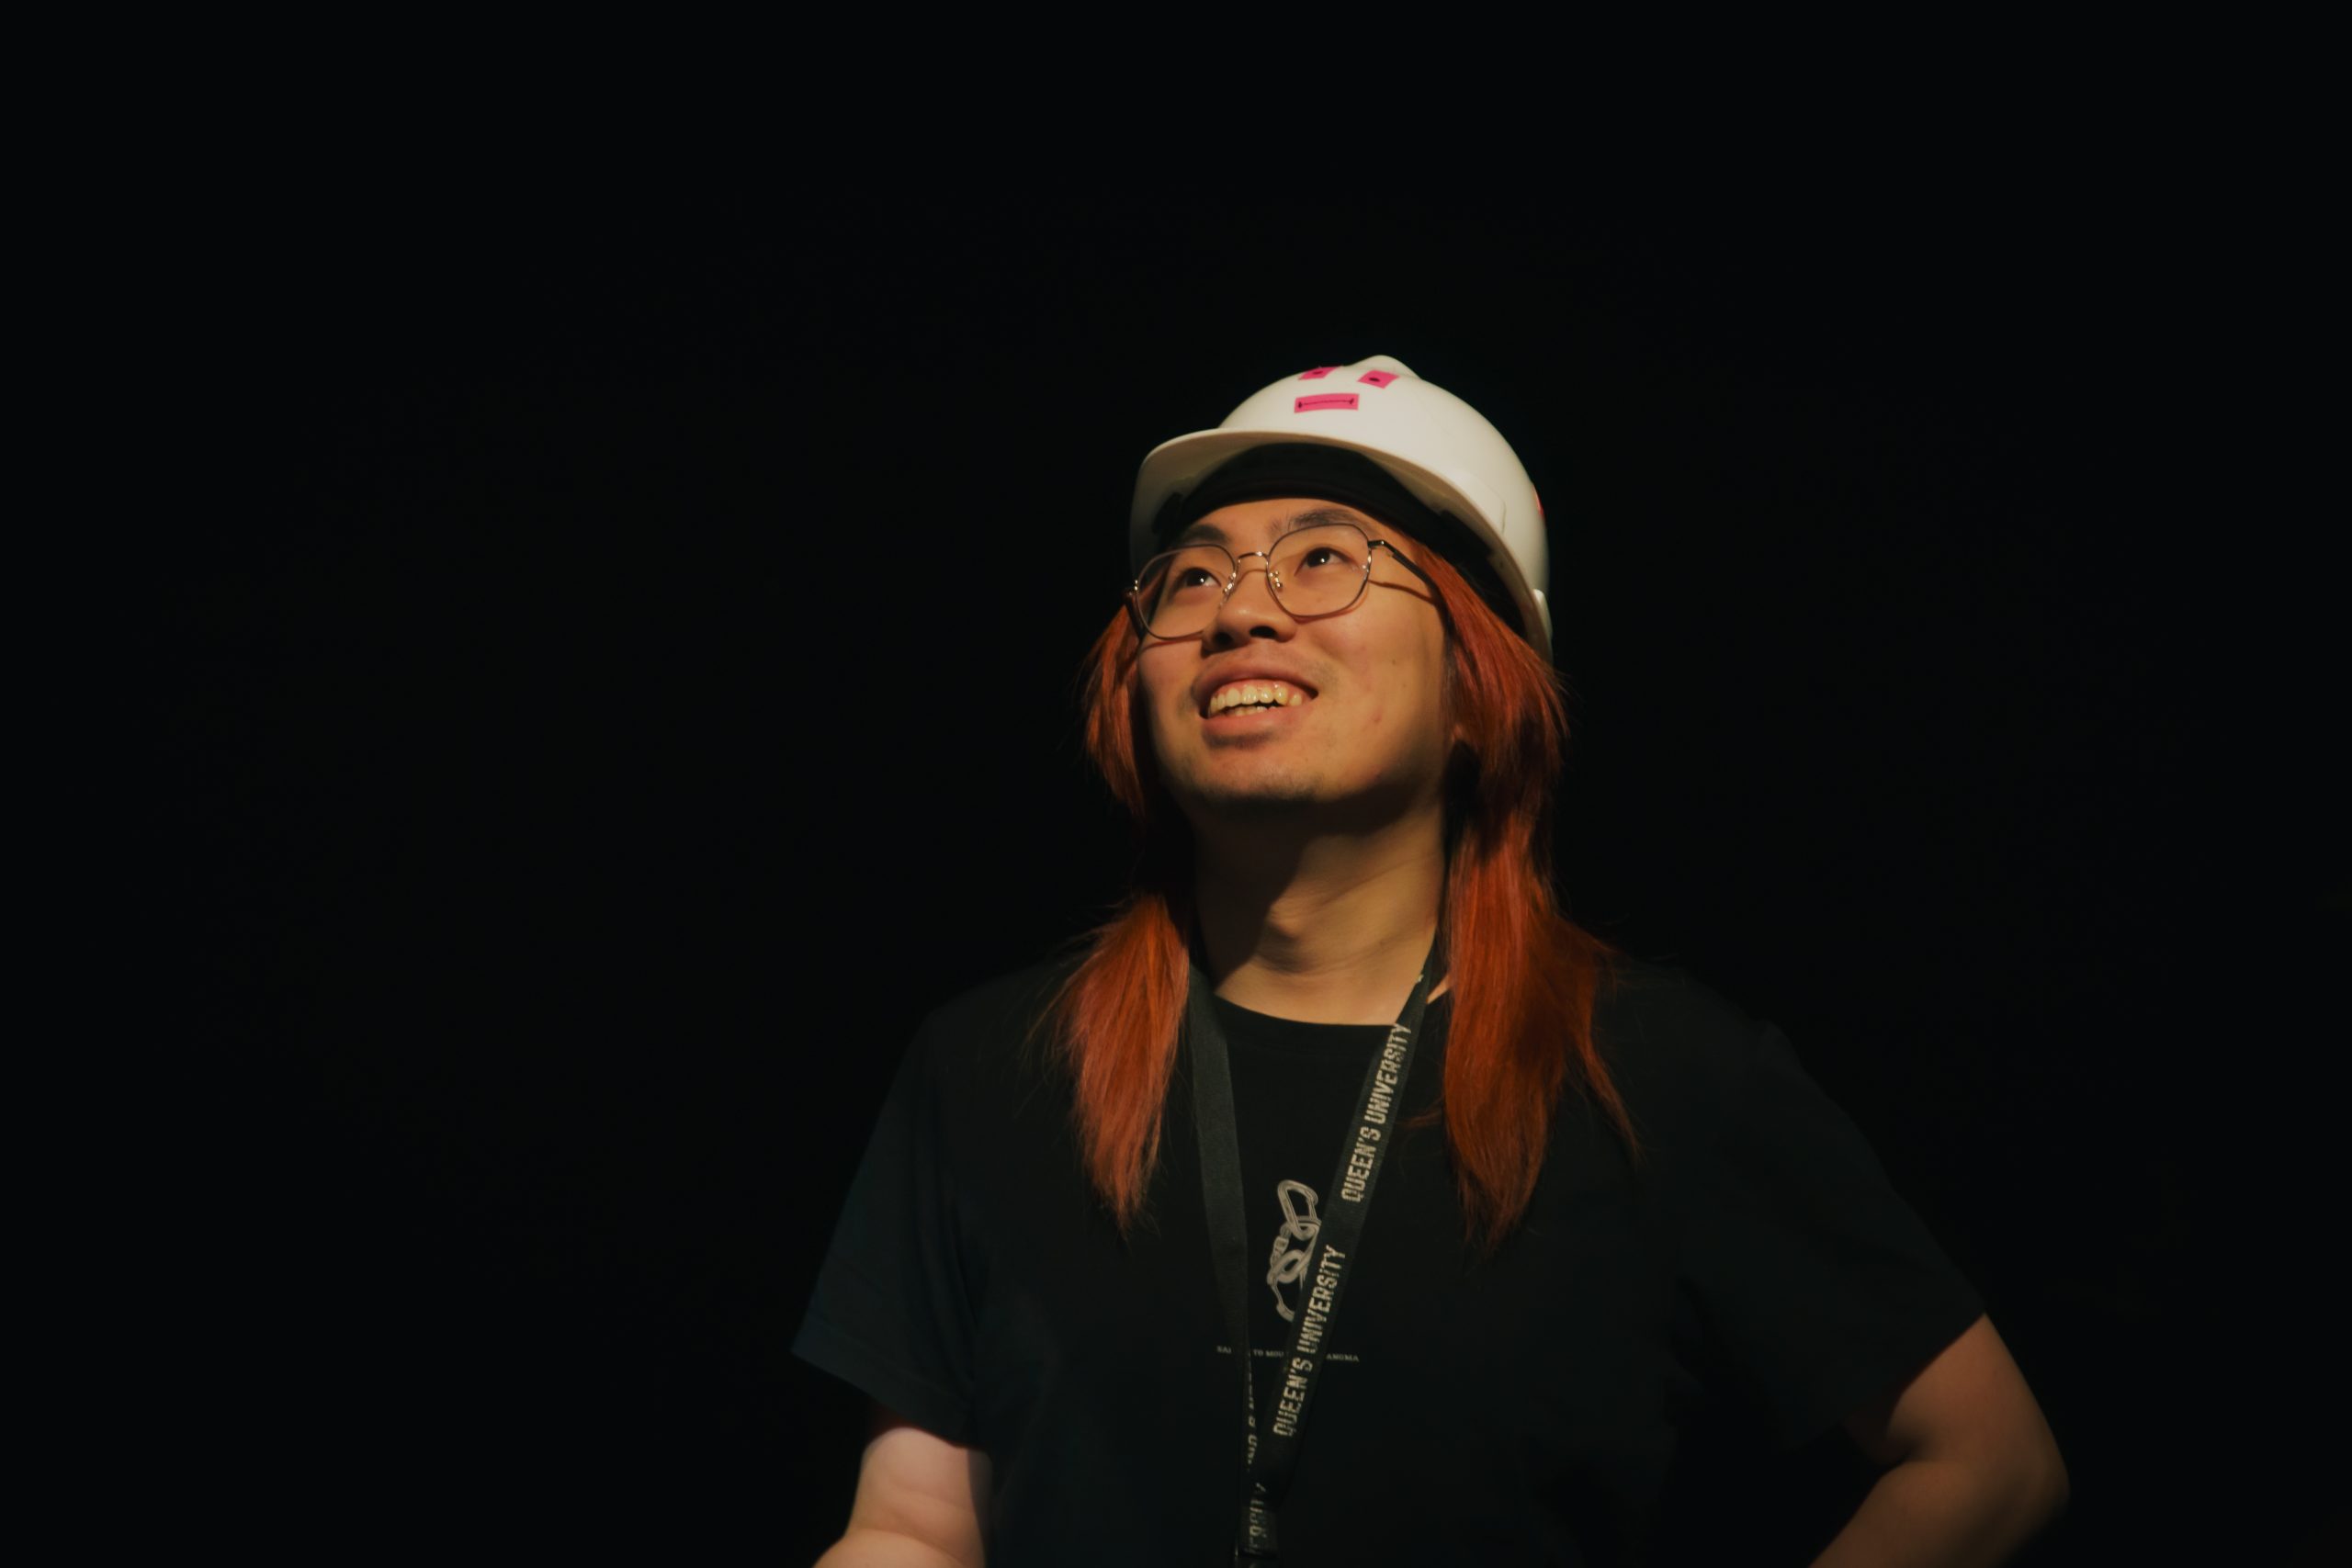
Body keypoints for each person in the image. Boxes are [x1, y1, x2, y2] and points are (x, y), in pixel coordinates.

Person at [796, 355, 2068, 1565]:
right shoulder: (990, 1070)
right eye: (1191, 577)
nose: (1240, 609)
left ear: (1477, 685)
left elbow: (1987, 1463)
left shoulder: (1656, 1076)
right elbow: (912, 1528)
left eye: (1323, 561)